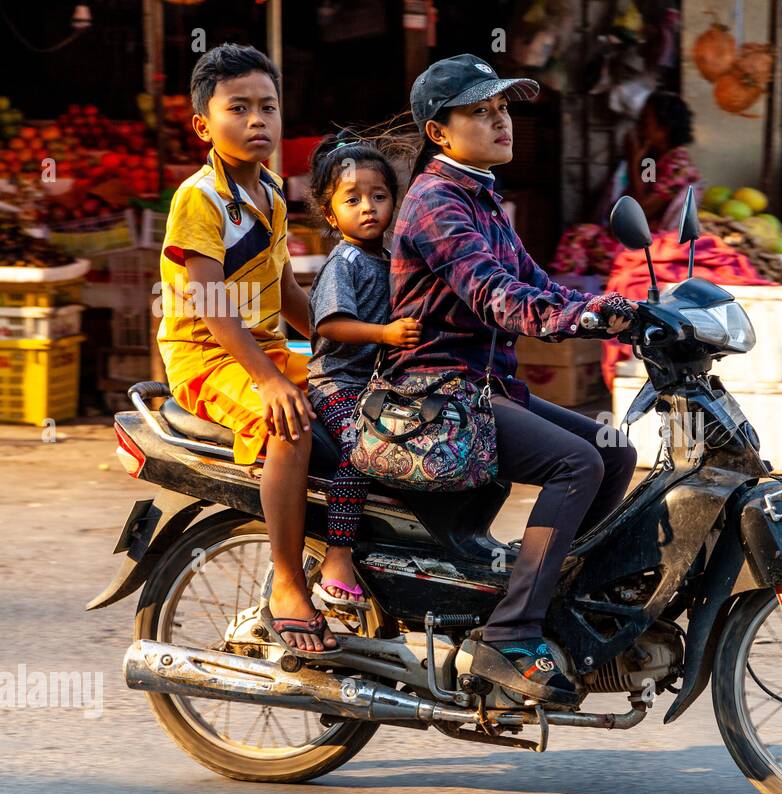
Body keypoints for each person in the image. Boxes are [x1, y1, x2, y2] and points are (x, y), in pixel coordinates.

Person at [389, 54, 638, 705]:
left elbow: (537, 284)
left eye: (502, 107)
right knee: (577, 464)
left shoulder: (484, 198)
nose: (501, 119)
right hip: (439, 397)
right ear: (439, 133)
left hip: (486, 390)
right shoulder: (436, 206)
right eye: (481, 110)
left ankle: (557, 593)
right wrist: (578, 316)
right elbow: (498, 297)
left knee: (616, 450)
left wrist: (618, 309)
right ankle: (510, 634)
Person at [156, 44, 334, 655]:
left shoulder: (273, 196)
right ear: (204, 124)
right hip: (207, 357)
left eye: (268, 107)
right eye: (240, 108)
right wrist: (268, 381)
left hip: (262, 346)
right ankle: (287, 583)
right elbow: (210, 303)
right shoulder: (199, 198)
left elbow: (286, 291)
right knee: (290, 424)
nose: (258, 121)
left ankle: (344, 559)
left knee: (367, 399)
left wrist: (335, 345)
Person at [304, 132, 417, 610]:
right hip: (336, 383)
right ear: (331, 215)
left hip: (375, 386)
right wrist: (385, 334)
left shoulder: (389, 259)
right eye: (353, 200)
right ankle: (338, 554)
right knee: (363, 453)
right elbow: (332, 324)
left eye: (379, 196)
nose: (368, 207)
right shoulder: (344, 261)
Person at [550, 91, 700, 278]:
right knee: (582, 233)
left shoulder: (677, 164)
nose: (640, 128)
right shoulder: (655, 159)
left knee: (578, 237)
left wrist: (633, 162)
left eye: (645, 122)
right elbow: (640, 193)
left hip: (652, 247)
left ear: (664, 128)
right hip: (639, 235)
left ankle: (562, 295)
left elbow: (640, 210)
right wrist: (640, 161)